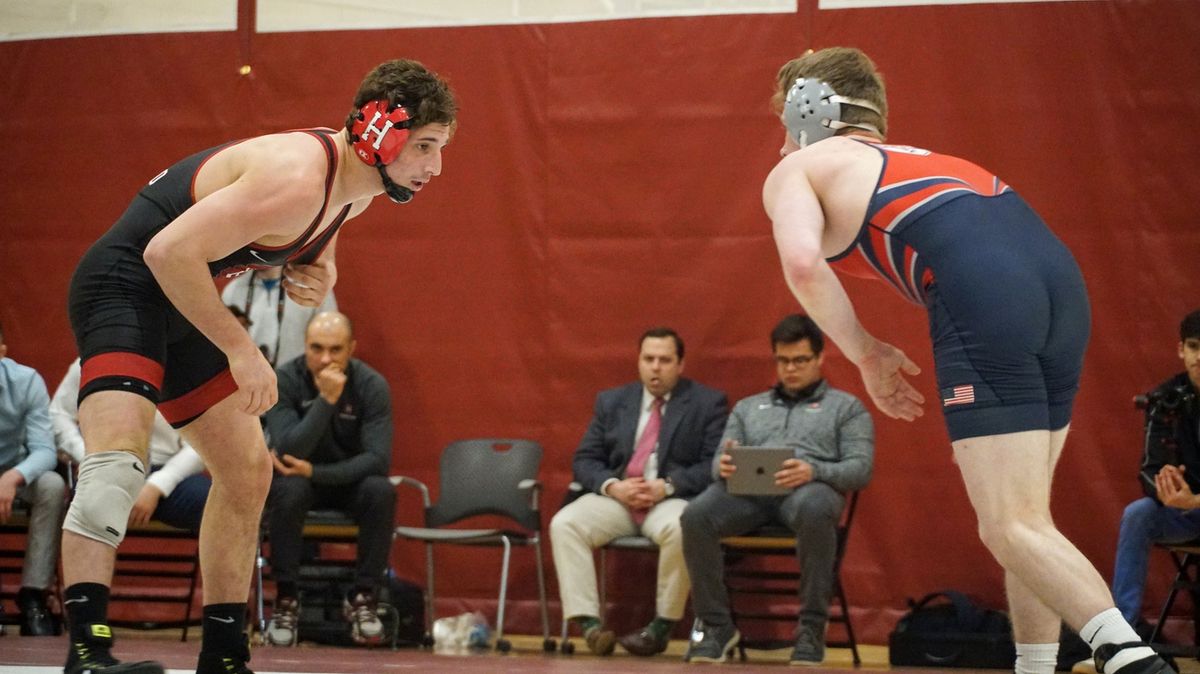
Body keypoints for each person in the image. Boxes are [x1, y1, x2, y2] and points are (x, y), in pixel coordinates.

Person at [759, 46, 1169, 674]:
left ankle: (1131, 657)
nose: (783, 142)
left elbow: (802, 264)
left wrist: (867, 353)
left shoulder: (803, 167)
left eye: (784, 121)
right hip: (1062, 287)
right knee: (1029, 522)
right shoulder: (923, 158)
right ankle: (1036, 668)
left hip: (986, 297)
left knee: (1006, 525)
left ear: (807, 111)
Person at [62, 59, 455, 674]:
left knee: (248, 473)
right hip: (126, 286)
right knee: (118, 460)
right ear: (383, 133)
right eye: (427, 146)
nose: (435, 167)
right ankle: (88, 651)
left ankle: (223, 655)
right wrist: (242, 351)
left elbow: (315, 240)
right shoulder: (298, 175)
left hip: (182, 296)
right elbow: (164, 251)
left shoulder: (352, 193)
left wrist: (322, 267)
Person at [681, 314, 873, 664]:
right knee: (695, 515)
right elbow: (717, 463)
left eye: (800, 360)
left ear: (819, 358)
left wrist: (813, 469)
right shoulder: (748, 407)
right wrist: (723, 466)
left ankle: (811, 630)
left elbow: (860, 470)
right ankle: (717, 626)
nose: (791, 369)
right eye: (783, 361)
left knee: (816, 508)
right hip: (749, 495)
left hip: (809, 492)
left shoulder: (846, 408)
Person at [550, 327, 728, 657]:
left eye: (664, 360)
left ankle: (662, 625)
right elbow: (585, 459)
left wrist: (668, 485)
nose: (656, 367)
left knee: (685, 526)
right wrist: (613, 486)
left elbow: (711, 465)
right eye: (649, 359)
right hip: (619, 499)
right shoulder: (612, 401)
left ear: (681, 364)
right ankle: (589, 626)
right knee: (565, 523)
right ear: (639, 362)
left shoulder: (707, 403)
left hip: (670, 499)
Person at [261, 311, 396, 647]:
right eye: (316, 348)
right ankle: (287, 598)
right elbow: (290, 448)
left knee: (381, 490)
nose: (324, 359)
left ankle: (364, 597)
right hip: (299, 483)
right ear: (305, 346)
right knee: (287, 490)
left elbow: (377, 460)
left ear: (351, 348)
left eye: (335, 350)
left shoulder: (371, 385)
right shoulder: (286, 380)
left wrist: (316, 471)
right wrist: (326, 401)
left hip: (349, 483)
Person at [1110, 310, 1200, 631]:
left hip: (1195, 505)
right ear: (1181, 350)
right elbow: (1150, 468)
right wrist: (1170, 495)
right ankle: (1121, 634)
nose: (1199, 357)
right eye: (1193, 346)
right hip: (1183, 511)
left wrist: (1196, 500)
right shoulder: (1166, 399)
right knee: (1138, 514)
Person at [51, 359, 212, 533]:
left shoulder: (188, 361)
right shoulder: (92, 357)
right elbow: (58, 415)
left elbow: (203, 441)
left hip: (168, 472)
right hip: (105, 465)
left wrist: (158, 485)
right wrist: (87, 456)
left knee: (215, 503)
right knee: (91, 498)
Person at [0, 319, 66, 637]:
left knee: (53, 485)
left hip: (14, 472)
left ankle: (34, 596)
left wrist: (13, 477)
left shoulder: (26, 382)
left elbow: (45, 450)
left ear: (2, 352)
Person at [221, 266, 337, 367]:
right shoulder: (232, 291)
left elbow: (333, 339)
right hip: (249, 383)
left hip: (299, 384)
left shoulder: (312, 287)